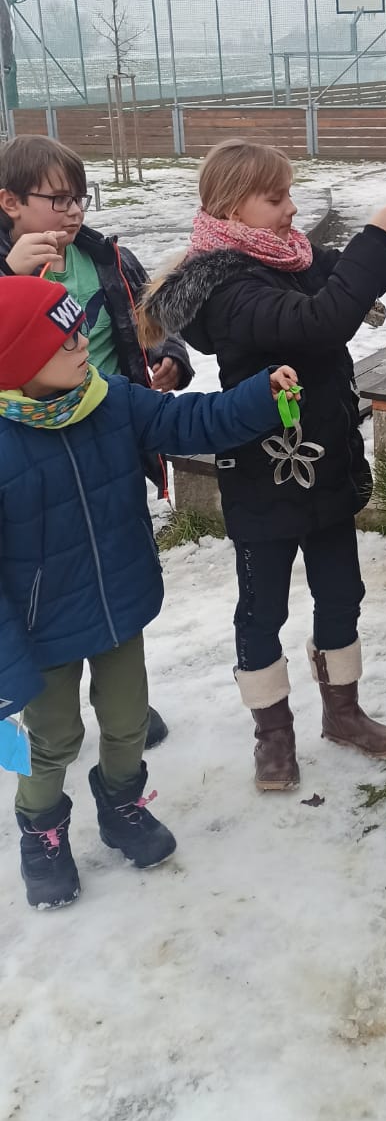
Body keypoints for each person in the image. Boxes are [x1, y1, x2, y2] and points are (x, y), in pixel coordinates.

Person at [0, 274, 298, 910]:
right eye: (64, 339)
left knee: (128, 720)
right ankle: (41, 833)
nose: (84, 343)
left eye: (81, 330)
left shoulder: (109, 399)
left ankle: (122, 807)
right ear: (21, 359)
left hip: (118, 602)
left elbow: (189, 420)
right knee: (51, 740)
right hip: (39, 631)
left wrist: (258, 396)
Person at [140, 139, 386, 793]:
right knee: (261, 609)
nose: (292, 209)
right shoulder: (228, 288)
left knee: (342, 594)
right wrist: (373, 242)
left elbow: (349, 285)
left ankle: (343, 713)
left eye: (291, 194)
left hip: (326, 463)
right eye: (276, 198)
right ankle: (272, 736)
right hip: (261, 478)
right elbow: (323, 321)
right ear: (230, 208)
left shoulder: (290, 257)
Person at [0, 136, 195, 750]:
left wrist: (170, 359)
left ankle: (122, 700)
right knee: (46, 585)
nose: (73, 211)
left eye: (80, 197)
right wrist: (9, 276)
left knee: (114, 566)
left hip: (110, 442)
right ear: (10, 202)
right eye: (57, 199)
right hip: (29, 462)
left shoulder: (105, 256)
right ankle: (50, 713)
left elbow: (150, 323)